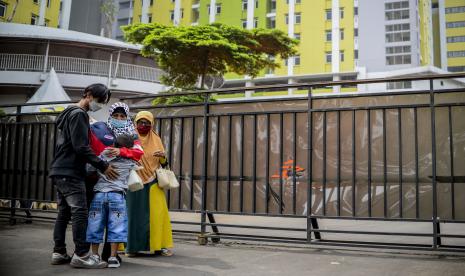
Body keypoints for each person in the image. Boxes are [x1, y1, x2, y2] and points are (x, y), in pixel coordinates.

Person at [49, 83, 118, 269]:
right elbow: (81, 147)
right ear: (88, 94)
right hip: (71, 171)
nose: (100, 105)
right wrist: (103, 165)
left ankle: (59, 251)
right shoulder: (79, 114)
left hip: (59, 169)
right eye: (100, 100)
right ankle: (81, 254)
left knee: (63, 213)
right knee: (80, 212)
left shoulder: (68, 113)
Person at [87, 102, 144, 262]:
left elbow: (139, 152)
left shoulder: (131, 135)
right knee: (116, 225)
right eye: (116, 115)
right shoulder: (101, 129)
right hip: (115, 192)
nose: (119, 118)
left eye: (122, 116)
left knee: (96, 224)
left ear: (127, 118)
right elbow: (138, 157)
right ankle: (111, 257)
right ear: (110, 115)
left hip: (100, 190)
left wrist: (118, 153)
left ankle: (96, 256)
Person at [126, 111, 174, 257]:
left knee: (158, 215)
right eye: (140, 122)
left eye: (147, 122)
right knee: (133, 215)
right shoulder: (130, 138)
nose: (143, 125)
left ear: (152, 124)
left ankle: (160, 246)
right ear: (135, 123)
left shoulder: (156, 139)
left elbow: (164, 164)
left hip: (153, 181)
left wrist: (163, 157)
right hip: (134, 180)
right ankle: (132, 247)